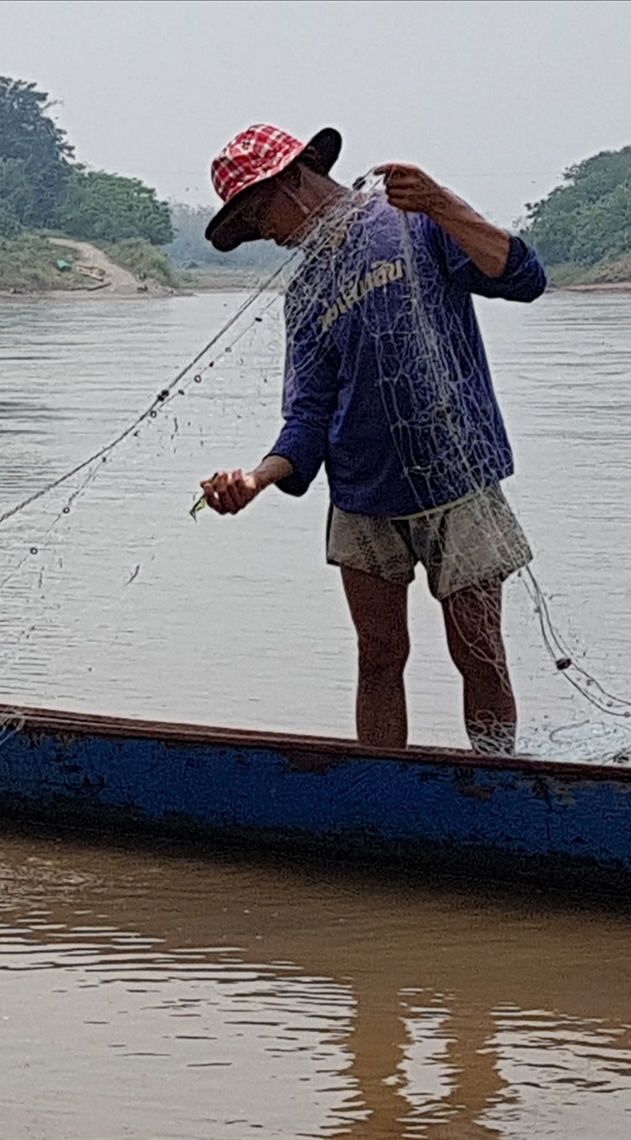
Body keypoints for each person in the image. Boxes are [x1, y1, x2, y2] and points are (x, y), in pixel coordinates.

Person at [196, 124, 547, 754]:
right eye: (249, 225)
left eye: (261, 213)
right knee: (379, 657)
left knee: (479, 651)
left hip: (457, 478)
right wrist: (256, 479)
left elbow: (523, 278)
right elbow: (308, 418)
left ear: (295, 176)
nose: (265, 233)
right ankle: (380, 789)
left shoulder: (415, 220)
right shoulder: (306, 293)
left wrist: (444, 203)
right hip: (363, 495)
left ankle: (496, 785)